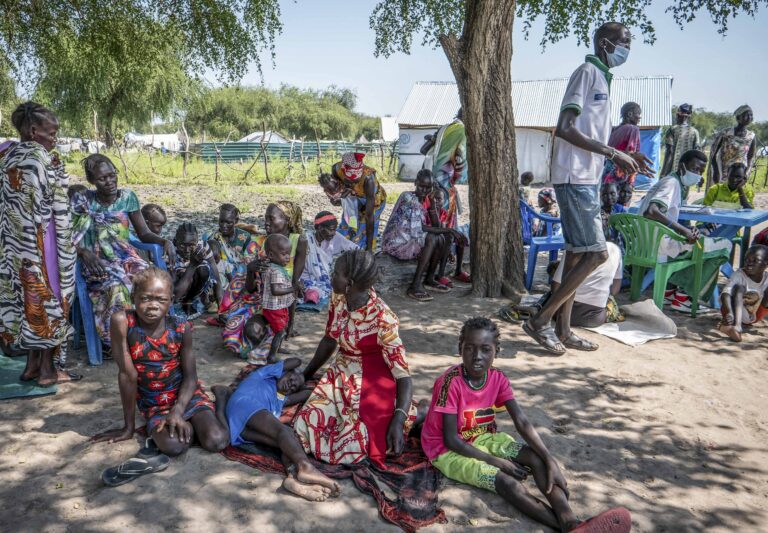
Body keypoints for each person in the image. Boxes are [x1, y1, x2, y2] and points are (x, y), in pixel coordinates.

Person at [421, 317, 631, 532]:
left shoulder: (497, 378)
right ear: (460, 349)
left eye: (485, 349)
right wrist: (498, 462)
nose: (477, 356)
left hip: (481, 436)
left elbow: (521, 421)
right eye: (469, 348)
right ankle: (571, 527)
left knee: (536, 458)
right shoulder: (450, 382)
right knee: (506, 482)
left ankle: (569, 519)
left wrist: (550, 460)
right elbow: (451, 440)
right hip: (446, 450)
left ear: (496, 351)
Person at [523, 22, 650, 355]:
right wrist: (613, 153)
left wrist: (621, 153)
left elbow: (591, 131)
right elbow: (565, 128)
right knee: (597, 253)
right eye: (623, 42)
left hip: (587, 177)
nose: (628, 48)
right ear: (604, 44)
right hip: (573, 176)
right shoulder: (586, 73)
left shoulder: (604, 79)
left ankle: (563, 330)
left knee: (577, 253)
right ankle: (540, 320)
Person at [293, 250, 424, 467]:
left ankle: (412, 413)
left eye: (336, 273)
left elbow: (403, 375)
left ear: (350, 283)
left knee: (356, 445)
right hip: (343, 368)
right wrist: (305, 375)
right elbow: (330, 339)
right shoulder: (339, 297)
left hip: (374, 377)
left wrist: (398, 419)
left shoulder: (383, 318)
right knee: (306, 425)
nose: (332, 276)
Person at [91, 267, 229, 456]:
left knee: (217, 441)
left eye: (161, 300)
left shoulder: (180, 327)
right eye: (145, 298)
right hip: (155, 404)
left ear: (171, 300)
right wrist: (128, 428)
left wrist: (178, 410)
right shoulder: (123, 322)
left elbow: (191, 377)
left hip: (186, 397)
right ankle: (189, 425)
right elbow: (128, 376)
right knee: (174, 447)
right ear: (133, 297)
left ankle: (220, 400)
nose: (153, 305)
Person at [0, 102, 80, 386]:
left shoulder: (7, 155)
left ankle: (32, 366)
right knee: (50, 298)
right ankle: (48, 370)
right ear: (34, 131)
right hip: (42, 242)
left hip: (13, 246)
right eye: (52, 132)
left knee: (27, 300)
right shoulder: (41, 157)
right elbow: (46, 205)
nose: (55, 138)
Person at [71, 154, 176, 352]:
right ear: (92, 181)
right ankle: (122, 342)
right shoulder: (84, 201)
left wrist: (164, 241)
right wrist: (82, 252)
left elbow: (144, 233)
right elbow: (65, 236)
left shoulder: (128, 198)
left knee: (151, 281)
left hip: (127, 258)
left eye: (112, 175)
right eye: (102, 178)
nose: (110, 181)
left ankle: (152, 333)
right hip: (97, 263)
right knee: (117, 288)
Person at [212, 360, 341, 502]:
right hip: (243, 405)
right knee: (283, 431)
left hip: (242, 430)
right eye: (291, 379)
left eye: (294, 387)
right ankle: (306, 466)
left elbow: (309, 393)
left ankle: (293, 478)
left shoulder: (282, 399)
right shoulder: (264, 375)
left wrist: (305, 384)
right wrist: (297, 373)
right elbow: (296, 361)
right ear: (282, 372)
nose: (291, 385)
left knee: (288, 440)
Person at [638, 150, 732, 313]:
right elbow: (652, 211)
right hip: (660, 246)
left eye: (701, 171)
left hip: (649, 243)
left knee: (698, 240)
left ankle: (669, 293)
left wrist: (686, 230)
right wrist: (683, 231)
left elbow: (663, 217)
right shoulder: (672, 184)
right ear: (682, 167)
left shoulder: (670, 181)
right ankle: (684, 297)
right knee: (724, 246)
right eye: (694, 169)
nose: (697, 174)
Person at [220, 202, 306, 357]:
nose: (266, 223)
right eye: (265, 218)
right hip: (259, 302)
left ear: (287, 220)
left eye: (271, 219)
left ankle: (274, 338)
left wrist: (290, 325)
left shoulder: (298, 242)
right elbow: (250, 289)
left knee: (256, 331)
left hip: (280, 306)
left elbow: (293, 285)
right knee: (249, 332)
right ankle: (270, 340)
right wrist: (250, 270)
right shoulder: (256, 243)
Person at [381, 169, 468, 301]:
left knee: (442, 237)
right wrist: (449, 230)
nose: (425, 190)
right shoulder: (408, 198)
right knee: (433, 237)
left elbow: (437, 225)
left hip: (410, 240)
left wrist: (432, 205)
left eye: (428, 187)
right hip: (396, 243)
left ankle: (430, 279)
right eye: (421, 186)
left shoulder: (424, 200)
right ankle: (415, 285)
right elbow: (421, 228)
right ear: (415, 183)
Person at [323, 153, 387, 252]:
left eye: (356, 181)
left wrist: (369, 249)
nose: (353, 184)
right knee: (349, 223)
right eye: (349, 181)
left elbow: (369, 217)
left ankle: (364, 249)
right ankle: (347, 246)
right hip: (353, 199)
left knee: (363, 227)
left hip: (373, 201)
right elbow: (334, 189)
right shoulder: (337, 169)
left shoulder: (368, 179)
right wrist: (336, 198)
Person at [551, 242, 624, 327]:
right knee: (612, 305)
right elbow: (615, 290)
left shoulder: (574, 247)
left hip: (560, 315)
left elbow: (555, 287)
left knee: (550, 297)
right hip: (594, 319)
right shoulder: (616, 250)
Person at [299, 211, 357, 306]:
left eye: (334, 230)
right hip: (305, 278)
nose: (333, 233)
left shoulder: (335, 237)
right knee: (311, 293)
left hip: (325, 279)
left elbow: (355, 249)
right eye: (331, 230)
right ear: (319, 228)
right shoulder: (306, 240)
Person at [718, 245, 768, 342]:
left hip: (753, 316)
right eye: (746, 260)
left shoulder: (766, 278)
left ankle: (728, 328)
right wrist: (729, 313)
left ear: (766, 264)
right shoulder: (739, 275)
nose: (749, 263)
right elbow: (725, 293)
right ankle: (736, 326)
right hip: (731, 312)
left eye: (755, 261)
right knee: (739, 288)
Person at [426, 108, 466, 228]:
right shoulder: (462, 131)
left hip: (432, 171)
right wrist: (460, 177)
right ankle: (445, 233)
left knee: (434, 203)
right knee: (445, 205)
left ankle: (436, 231)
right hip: (445, 175)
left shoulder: (445, 128)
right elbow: (461, 156)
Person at [172, 222, 221, 320]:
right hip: (177, 290)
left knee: (204, 270)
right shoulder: (170, 251)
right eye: (182, 245)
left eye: (191, 245)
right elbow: (175, 294)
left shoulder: (202, 247)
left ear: (197, 242)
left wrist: (222, 310)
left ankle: (189, 301)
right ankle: (181, 304)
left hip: (193, 289)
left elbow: (217, 279)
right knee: (183, 274)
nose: (187, 250)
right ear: (175, 242)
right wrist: (192, 265)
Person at [261, 234, 297, 362]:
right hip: (274, 307)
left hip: (278, 306)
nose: (287, 257)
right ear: (271, 255)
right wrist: (293, 288)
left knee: (281, 328)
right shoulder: (275, 271)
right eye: (284, 254)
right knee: (280, 331)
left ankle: (277, 348)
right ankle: (271, 356)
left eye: (288, 254)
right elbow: (275, 290)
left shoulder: (277, 268)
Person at [709, 105, 757, 187]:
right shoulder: (725, 133)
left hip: (739, 174)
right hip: (723, 172)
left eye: (751, 115)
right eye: (746, 115)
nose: (749, 117)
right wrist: (715, 171)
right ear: (738, 118)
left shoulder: (751, 136)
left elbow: (750, 158)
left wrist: (746, 175)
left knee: (736, 194)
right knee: (720, 192)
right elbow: (713, 153)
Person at [208, 203, 254, 289]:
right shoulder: (212, 238)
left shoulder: (244, 237)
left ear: (236, 221)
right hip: (220, 277)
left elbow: (249, 259)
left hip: (240, 276)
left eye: (228, 222)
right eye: (221, 221)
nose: (224, 226)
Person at [601, 102, 642, 194]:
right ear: (630, 114)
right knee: (622, 200)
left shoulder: (614, 130)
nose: (640, 117)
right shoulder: (633, 129)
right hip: (623, 172)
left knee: (607, 199)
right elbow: (631, 153)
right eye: (638, 114)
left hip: (608, 172)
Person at [661, 103, 701, 178]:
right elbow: (697, 152)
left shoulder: (672, 130)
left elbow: (670, 152)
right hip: (688, 170)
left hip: (673, 170)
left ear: (678, 115)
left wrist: (664, 173)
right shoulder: (695, 132)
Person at [600, 182, 625, 249]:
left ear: (618, 194)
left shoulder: (620, 209)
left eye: (613, 194)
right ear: (600, 196)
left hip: (618, 245)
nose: (609, 197)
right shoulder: (598, 212)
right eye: (605, 195)